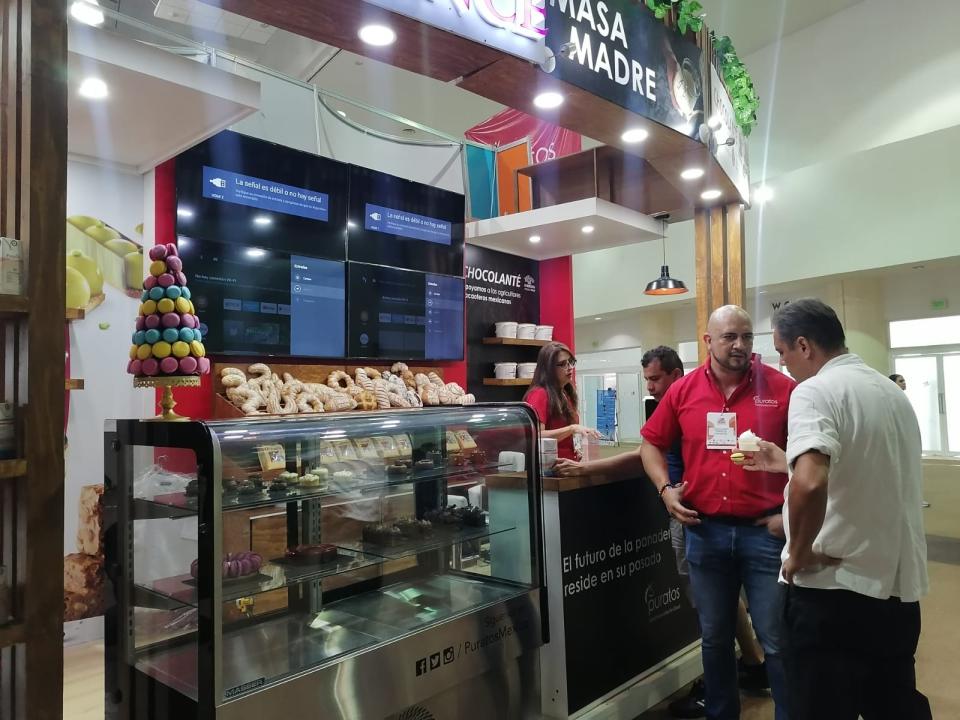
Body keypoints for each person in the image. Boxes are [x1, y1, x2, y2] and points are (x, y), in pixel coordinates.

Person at [556, 345, 768, 718]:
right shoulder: (682, 403)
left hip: (692, 519)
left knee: (709, 608)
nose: (650, 386)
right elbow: (649, 452)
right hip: (700, 517)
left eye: (655, 378)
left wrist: (589, 470)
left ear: (674, 373)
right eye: (647, 380)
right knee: (720, 603)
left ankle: (727, 683)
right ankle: (752, 665)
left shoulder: (684, 402)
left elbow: (642, 457)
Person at [743, 298, 930, 720]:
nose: (783, 363)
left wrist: (800, 551)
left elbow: (812, 482)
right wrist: (784, 461)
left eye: (783, 351)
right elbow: (863, 465)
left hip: (834, 593)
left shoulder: (814, 390)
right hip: (894, 589)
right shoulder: (889, 391)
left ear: (805, 346)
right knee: (892, 702)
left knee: (821, 705)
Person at [639, 306, 795, 720]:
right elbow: (650, 444)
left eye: (746, 336)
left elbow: (811, 459)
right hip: (705, 532)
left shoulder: (782, 389)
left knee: (775, 638)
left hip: (765, 534)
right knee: (714, 638)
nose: (740, 345)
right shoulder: (684, 391)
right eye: (729, 337)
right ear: (709, 341)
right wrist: (665, 490)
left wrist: (789, 515)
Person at [523, 341, 600, 460]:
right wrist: (572, 429)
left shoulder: (565, 393)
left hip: (567, 464)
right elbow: (536, 436)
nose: (570, 368)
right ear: (549, 368)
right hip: (550, 468)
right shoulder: (539, 394)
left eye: (571, 362)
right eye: (563, 364)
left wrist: (576, 448)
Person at [889, 374, 929, 507]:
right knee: (902, 472)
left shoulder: (901, 398)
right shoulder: (891, 399)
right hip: (898, 443)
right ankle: (909, 500)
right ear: (893, 383)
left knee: (911, 471)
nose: (904, 383)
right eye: (901, 381)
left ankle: (914, 499)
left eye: (904, 380)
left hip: (908, 440)